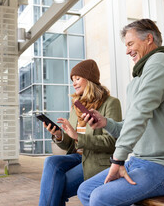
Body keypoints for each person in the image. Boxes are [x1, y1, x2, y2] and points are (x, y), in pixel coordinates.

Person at [77, 19, 164, 206]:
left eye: (130, 44)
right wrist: (105, 123)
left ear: (149, 39)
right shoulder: (141, 75)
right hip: (141, 161)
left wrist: (118, 159)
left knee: (100, 198)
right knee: (86, 191)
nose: (127, 51)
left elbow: (140, 113)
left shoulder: (160, 63)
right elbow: (133, 122)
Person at [38, 59, 122, 206]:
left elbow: (112, 143)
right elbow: (70, 144)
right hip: (76, 157)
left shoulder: (111, 103)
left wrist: (78, 136)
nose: (74, 83)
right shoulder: (76, 106)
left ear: (89, 79)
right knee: (50, 161)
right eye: (72, 80)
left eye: (77, 78)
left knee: (54, 189)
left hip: (95, 161)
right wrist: (59, 135)